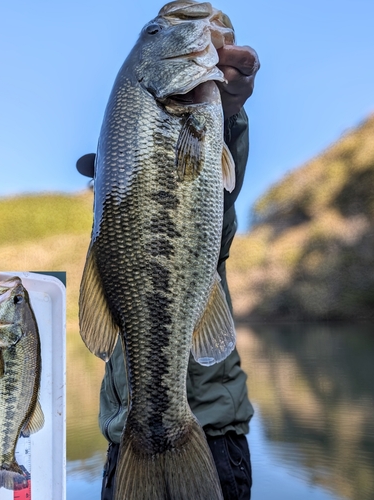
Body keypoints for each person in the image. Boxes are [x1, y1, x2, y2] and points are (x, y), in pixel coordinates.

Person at [77, 35, 259, 500]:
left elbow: (220, 194)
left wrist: (231, 114)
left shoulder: (194, 147)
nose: (101, 188)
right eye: (102, 179)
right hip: (127, 441)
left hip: (210, 439)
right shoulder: (113, 245)